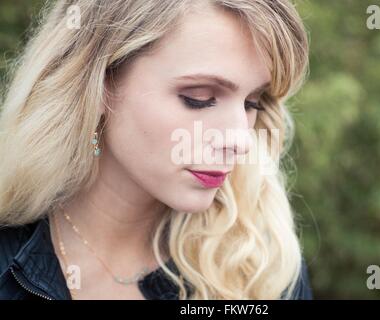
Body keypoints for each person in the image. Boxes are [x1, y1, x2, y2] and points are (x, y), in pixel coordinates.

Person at [0, 0, 311, 299]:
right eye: (198, 98)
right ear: (98, 84)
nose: (240, 142)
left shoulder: (264, 269)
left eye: (251, 103)